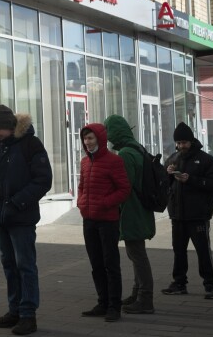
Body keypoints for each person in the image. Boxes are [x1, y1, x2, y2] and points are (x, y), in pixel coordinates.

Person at [0, 105, 52, 336]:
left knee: (25, 265)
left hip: (21, 217)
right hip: (1, 218)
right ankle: (14, 310)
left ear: (9, 126)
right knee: (9, 265)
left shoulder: (31, 144)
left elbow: (43, 180)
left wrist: (15, 203)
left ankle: (27, 315)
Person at [161, 122, 213, 299]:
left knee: (203, 250)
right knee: (178, 250)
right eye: (178, 143)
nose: (181, 146)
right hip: (177, 215)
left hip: (198, 215)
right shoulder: (173, 158)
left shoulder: (205, 159)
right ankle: (179, 283)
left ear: (191, 141)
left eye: (184, 143)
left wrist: (191, 179)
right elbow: (165, 183)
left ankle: (210, 285)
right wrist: (168, 173)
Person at [102, 114, 156, 315]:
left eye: (108, 132)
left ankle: (145, 298)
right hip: (141, 208)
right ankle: (137, 293)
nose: (107, 138)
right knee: (136, 253)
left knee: (137, 254)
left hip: (132, 210)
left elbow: (124, 185)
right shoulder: (137, 147)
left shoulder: (125, 154)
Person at [76, 123, 130, 323]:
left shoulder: (114, 161)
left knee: (110, 264)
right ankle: (102, 302)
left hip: (107, 221)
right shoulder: (84, 162)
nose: (87, 142)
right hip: (89, 220)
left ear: (100, 139)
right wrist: (81, 203)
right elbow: (82, 186)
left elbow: (124, 189)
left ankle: (114, 306)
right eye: (85, 139)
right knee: (96, 263)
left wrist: (104, 203)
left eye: (91, 138)